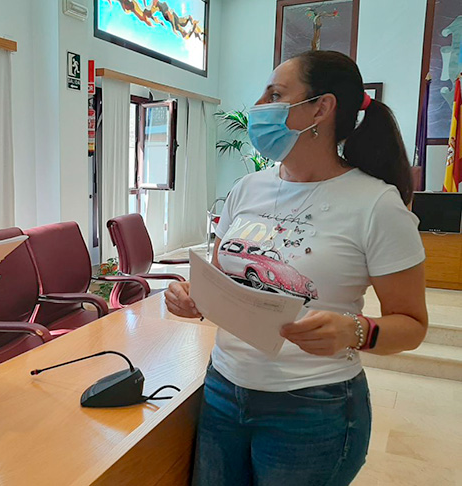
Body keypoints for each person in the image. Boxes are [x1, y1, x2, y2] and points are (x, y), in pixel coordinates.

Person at [165, 50, 428, 486]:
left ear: (321, 108)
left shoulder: (376, 205)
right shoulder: (247, 188)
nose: (258, 106)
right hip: (224, 390)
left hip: (314, 408)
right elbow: (222, 281)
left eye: (275, 95)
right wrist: (194, 299)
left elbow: (413, 325)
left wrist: (355, 330)